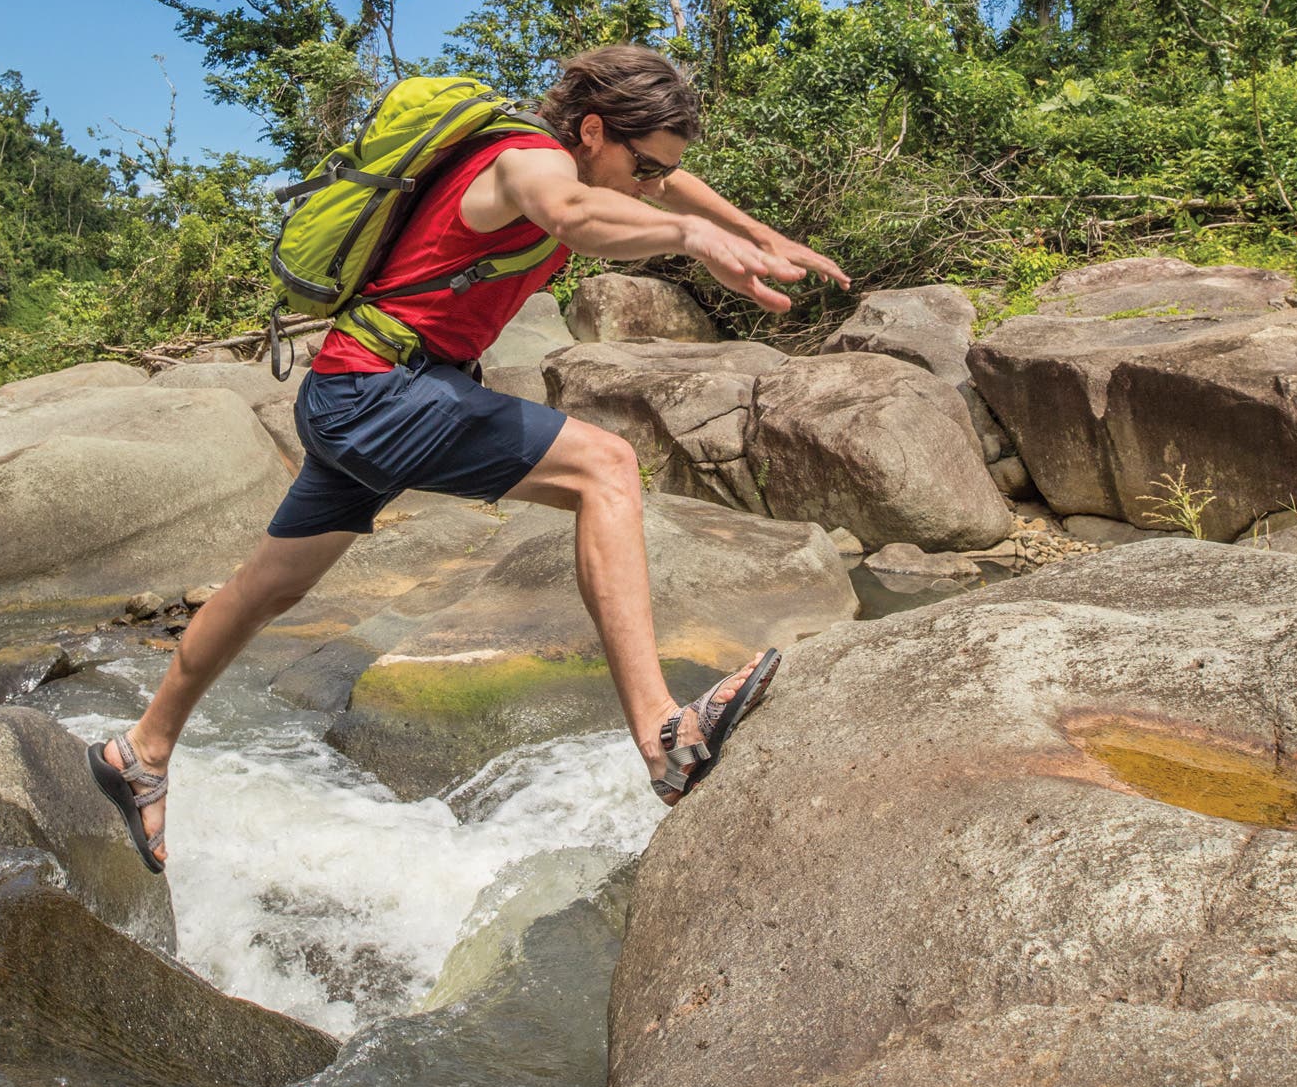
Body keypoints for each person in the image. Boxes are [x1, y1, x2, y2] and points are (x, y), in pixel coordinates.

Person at [90, 43, 848, 872]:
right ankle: (661, 733)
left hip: (355, 388)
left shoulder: (595, 162)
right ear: (594, 131)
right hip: (384, 394)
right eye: (644, 168)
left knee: (265, 589)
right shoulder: (527, 161)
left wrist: (758, 233)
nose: (653, 186)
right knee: (606, 468)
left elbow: (667, 189)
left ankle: (140, 752)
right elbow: (574, 215)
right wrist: (695, 238)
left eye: (662, 172)